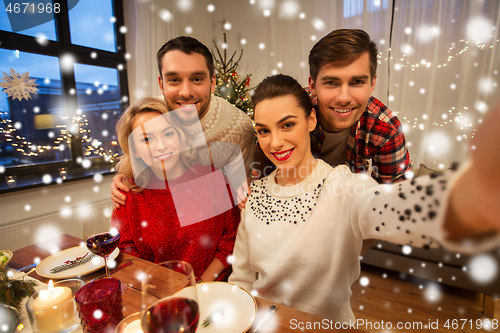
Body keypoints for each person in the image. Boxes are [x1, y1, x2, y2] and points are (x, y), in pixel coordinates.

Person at [228, 74, 500, 323]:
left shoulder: (343, 186)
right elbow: (241, 278)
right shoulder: (254, 195)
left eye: (287, 125)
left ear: (311, 120)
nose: (275, 142)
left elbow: (399, 209)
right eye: (264, 130)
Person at [111, 36, 255, 208]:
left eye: (197, 79)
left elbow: (239, 191)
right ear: (161, 83)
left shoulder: (239, 125)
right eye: (174, 80)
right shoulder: (151, 115)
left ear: (212, 83)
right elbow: (134, 162)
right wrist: (122, 179)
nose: (185, 92)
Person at [112, 97, 240, 282]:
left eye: (168, 134)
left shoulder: (213, 180)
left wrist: (200, 285)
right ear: (135, 150)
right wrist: (161, 289)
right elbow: (127, 253)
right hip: (156, 294)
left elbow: (230, 241)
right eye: (147, 139)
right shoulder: (128, 194)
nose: (161, 145)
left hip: (211, 291)